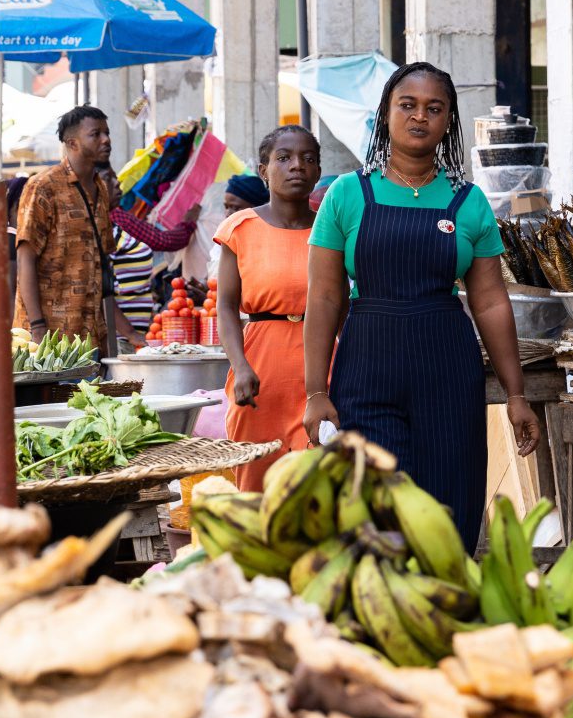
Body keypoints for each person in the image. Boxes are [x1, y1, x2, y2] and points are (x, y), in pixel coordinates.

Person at [302, 63, 540, 550]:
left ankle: (446, 614)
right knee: (371, 505)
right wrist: (314, 391)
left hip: (447, 372)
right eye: (407, 105)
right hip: (366, 371)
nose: (419, 117)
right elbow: (325, 297)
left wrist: (516, 394)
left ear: (449, 121)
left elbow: (491, 302)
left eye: (434, 109)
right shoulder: (347, 195)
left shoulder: (468, 201)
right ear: (385, 115)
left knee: (448, 505)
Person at [217, 126, 321, 490]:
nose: (297, 166)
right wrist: (240, 366)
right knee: (256, 479)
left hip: (321, 366)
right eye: (284, 158)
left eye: (308, 159)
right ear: (263, 171)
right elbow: (226, 307)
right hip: (260, 370)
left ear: (318, 172)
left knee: (317, 481)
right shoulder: (240, 228)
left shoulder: (331, 227)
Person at [16, 106, 123, 348]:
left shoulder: (101, 190)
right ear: (72, 143)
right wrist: (38, 327)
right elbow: (25, 259)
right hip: (49, 339)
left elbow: (101, 264)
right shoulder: (43, 186)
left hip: (90, 338)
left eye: (107, 133)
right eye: (96, 134)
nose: (106, 140)